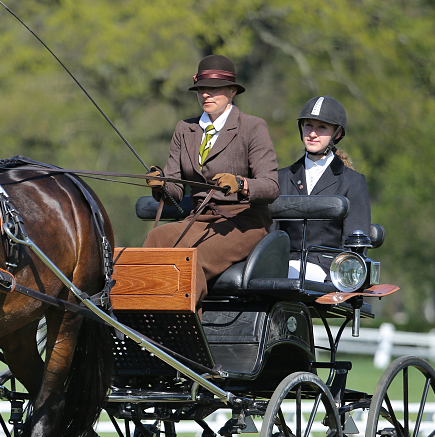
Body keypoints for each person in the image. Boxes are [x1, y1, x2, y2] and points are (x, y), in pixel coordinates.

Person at [143, 54, 279, 304]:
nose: (206, 94)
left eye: (214, 89)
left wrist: (241, 185)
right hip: (199, 218)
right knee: (156, 239)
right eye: (201, 89)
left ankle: (185, 333)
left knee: (191, 257)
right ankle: (144, 316)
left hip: (243, 221)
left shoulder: (252, 127)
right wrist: (161, 184)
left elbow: (271, 186)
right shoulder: (185, 129)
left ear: (232, 91)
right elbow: (175, 188)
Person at [277, 96, 371, 282]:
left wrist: (336, 278)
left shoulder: (352, 181)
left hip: (327, 270)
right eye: (308, 125)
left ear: (336, 134)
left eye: (322, 127)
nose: (312, 133)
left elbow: (354, 243)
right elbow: (270, 235)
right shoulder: (281, 178)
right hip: (283, 266)